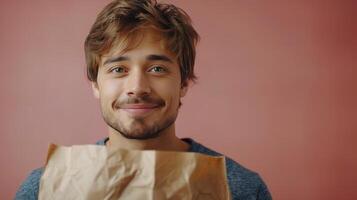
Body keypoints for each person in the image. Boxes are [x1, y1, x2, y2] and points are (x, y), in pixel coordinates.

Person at [16, 0, 272, 199]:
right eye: (118, 69)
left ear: (183, 83)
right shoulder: (44, 189)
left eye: (157, 69)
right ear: (95, 84)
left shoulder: (241, 190)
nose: (137, 87)